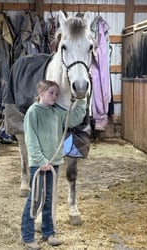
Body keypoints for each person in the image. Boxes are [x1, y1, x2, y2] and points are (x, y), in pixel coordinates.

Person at [21, 80, 87, 250]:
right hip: (39, 164)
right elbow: (31, 140)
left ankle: (48, 233)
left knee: (50, 200)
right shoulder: (33, 112)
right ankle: (27, 236)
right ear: (41, 92)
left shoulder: (57, 112)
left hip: (53, 164)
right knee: (35, 199)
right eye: (51, 92)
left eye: (56, 94)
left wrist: (82, 100)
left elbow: (74, 119)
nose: (55, 96)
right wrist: (41, 160)